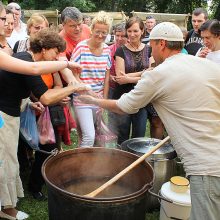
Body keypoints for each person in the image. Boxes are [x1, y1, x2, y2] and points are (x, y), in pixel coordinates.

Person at [78, 22, 220, 220]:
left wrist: (93, 100)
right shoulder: (207, 65)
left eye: (152, 45)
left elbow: (123, 106)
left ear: (161, 44)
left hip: (208, 167)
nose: (150, 52)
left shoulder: (158, 75)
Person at [0, 28, 89, 220]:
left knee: (8, 161)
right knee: (6, 162)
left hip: (10, 113)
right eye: (55, 52)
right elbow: (48, 98)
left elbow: (12, 87)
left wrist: (30, 103)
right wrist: (73, 88)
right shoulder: (27, 60)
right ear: (45, 48)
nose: (57, 57)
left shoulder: (27, 58)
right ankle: (7, 210)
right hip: (3, 116)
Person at [0, 2, 82, 75]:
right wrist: (67, 64)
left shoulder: (51, 50)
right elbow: (33, 68)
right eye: (4, 19)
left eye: (42, 28)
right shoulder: (21, 49)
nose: (7, 25)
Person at [71, 11, 111, 147]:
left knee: (99, 138)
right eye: (98, 31)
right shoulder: (81, 47)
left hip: (99, 99)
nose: (100, 35)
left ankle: (91, 164)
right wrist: (88, 91)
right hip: (82, 98)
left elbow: (106, 78)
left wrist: (103, 101)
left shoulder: (107, 50)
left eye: (104, 32)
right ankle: (80, 166)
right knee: (89, 136)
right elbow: (73, 75)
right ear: (92, 29)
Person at [112, 16, 150, 144]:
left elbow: (152, 75)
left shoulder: (149, 49)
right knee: (122, 133)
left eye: (135, 31)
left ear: (142, 31)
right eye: (129, 31)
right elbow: (120, 78)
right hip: (123, 96)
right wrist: (143, 73)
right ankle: (122, 162)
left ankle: (136, 162)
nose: (132, 34)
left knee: (139, 134)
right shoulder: (120, 50)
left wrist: (128, 78)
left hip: (142, 97)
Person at [58, 7, 91, 84]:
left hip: (88, 78)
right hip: (69, 82)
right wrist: (78, 85)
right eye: (72, 26)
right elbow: (64, 67)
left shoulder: (87, 30)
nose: (77, 28)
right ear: (63, 25)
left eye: (79, 24)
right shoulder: (59, 40)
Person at [108, 22, 127, 98]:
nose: (119, 39)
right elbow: (102, 68)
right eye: (117, 35)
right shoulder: (109, 50)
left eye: (122, 36)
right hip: (112, 88)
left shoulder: (132, 50)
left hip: (128, 88)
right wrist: (109, 76)